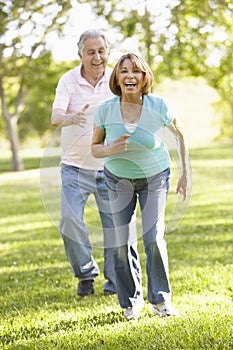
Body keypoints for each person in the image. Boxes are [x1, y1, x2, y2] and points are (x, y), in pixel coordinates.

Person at [91, 53, 190, 320]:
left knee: (153, 238)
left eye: (136, 71)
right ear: (117, 78)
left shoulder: (159, 106)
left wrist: (185, 175)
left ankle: (160, 300)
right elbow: (95, 148)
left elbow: (180, 137)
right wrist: (110, 148)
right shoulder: (106, 110)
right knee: (121, 243)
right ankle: (131, 301)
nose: (130, 76)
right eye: (124, 71)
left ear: (145, 77)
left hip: (154, 177)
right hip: (117, 178)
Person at [51, 30, 117, 296]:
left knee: (116, 227)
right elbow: (56, 116)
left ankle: (115, 280)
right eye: (90, 52)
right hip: (74, 167)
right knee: (69, 220)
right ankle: (86, 274)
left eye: (101, 50)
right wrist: (70, 118)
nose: (97, 56)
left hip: (111, 167)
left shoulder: (117, 77)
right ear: (80, 55)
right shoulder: (68, 80)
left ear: (108, 53)